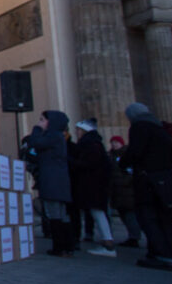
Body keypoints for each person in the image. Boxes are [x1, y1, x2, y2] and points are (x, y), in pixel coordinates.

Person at [119, 103, 172, 271]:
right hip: (165, 180)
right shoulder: (158, 128)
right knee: (164, 220)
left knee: (149, 219)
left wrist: (124, 163)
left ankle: (161, 255)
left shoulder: (140, 127)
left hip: (149, 181)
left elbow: (135, 152)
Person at [24, 110, 75, 257]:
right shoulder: (58, 137)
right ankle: (67, 246)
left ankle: (60, 247)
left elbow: (34, 142)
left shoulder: (53, 136)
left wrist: (37, 129)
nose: (39, 122)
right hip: (58, 180)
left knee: (55, 214)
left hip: (52, 180)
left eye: (42, 120)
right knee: (60, 214)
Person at [71, 118, 116, 257]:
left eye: (79, 130)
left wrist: (72, 162)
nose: (77, 132)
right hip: (96, 184)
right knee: (98, 213)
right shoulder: (94, 143)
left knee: (98, 213)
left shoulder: (90, 144)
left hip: (93, 184)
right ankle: (107, 241)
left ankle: (108, 244)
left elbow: (89, 163)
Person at [108, 135, 142, 247]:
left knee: (130, 215)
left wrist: (125, 182)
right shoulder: (111, 156)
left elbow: (130, 173)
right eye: (112, 142)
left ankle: (134, 237)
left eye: (116, 142)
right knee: (124, 214)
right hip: (117, 190)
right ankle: (132, 236)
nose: (114, 144)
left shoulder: (126, 155)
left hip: (127, 190)